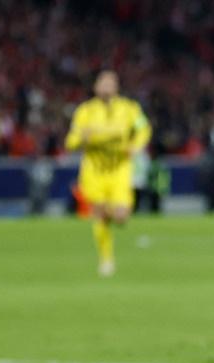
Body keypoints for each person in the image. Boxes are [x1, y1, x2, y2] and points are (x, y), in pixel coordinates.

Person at [64, 70, 152, 277]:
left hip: (120, 170)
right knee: (100, 217)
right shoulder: (85, 112)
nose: (106, 86)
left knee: (121, 217)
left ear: (117, 86)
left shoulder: (129, 109)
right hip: (94, 172)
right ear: (95, 87)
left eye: (110, 83)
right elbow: (70, 142)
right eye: (102, 82)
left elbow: (144, 128)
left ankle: (107, 215)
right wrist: (82, 139)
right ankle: (106, 259)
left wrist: (137, 146)